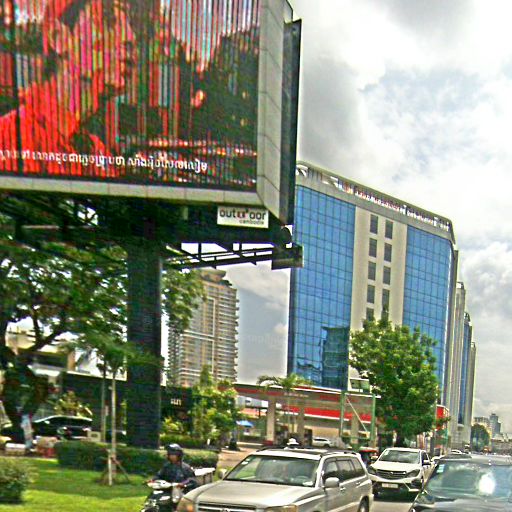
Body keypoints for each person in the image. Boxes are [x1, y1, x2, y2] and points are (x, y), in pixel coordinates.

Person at [0, 0, 137, 175]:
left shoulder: (98, 153)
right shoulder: (10, 139)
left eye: (131, 24)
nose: (130, 37)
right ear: (58, 38)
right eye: (107, 19)